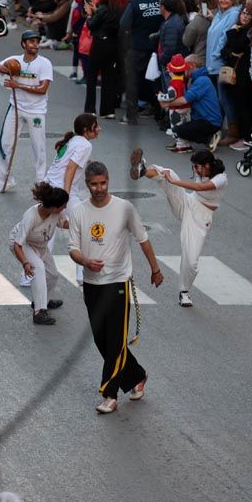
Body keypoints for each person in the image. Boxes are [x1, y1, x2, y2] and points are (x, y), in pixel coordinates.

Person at [66, 162, 164, 414]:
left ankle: (109, 394)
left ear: (108, 180)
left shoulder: (124, 208)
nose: (99, 188)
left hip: (118, 282)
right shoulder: (78, 211)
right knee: (101, 339)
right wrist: (85, 261)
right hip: (91, 283)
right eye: (94, 184)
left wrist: (155, 269)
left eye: (103, 183)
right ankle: (137, 375)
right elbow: (73, 249)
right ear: (87, 184)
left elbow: (143, 240)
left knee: (116, 340)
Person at [129, 148, 227, 308]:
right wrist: (171, 180)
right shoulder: (202, 169)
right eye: (193, 166)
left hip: (201, 217)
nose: (195, 170)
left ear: (208, 165)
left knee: (192, 260)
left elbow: (201, 188)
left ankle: (184, 292)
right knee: (170, 173)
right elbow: (189, 187)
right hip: (187, 202)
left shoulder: (221, 178)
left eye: (197, 167)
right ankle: (143, 169)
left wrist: (174, 182)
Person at [0, 31, 53, 192]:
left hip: (36, 111)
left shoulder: (44, 63)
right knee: (5, 144)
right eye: (31, 42)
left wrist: (18, 86)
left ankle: (41, 183)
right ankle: (5, 181)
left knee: (39, 148)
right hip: (15, 108)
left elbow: (43, 89)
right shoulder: (14, 61)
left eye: (37, 42)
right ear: (23, 44)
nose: (35, 45)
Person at [10, 183, 69, 325]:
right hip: (23, 244)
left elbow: (65, 224)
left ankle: (42, 300)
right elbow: (17, 245)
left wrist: (82, 225)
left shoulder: (57, 213)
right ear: (54, 207)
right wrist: (25, 263)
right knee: (38, 268)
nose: (65, 208)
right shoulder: (31, 216)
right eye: (63, 206)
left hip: (40, 245)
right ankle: (39, 312)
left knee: (53, 275)